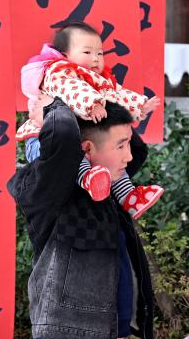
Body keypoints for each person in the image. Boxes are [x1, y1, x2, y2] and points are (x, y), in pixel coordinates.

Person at [9, 99, 157, 339]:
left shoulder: (103, 195)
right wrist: (61, 99)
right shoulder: (56, 195)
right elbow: (61, 135)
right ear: (86, 149)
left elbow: (137, 151)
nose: (129, 155)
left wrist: (113, 101)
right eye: (120, 145)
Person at [16, 22, 163, 218]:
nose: (95, 58)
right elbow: (72, 90)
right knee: (75, 155)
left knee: (112, 165)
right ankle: (87, 177)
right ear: (65, 55)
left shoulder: (96, 79)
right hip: (42, 140)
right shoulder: (58, 71)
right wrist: (92, 104)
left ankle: (129, 197)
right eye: (87, 52)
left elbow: (116, 94)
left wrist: (138, 105)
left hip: (78, 137)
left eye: (100, 53)